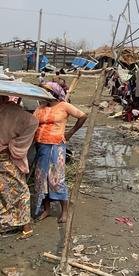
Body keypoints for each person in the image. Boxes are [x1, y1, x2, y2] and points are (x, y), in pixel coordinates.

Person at [33, 84, 87, 223]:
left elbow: (82, 116)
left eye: (48, 91)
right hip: (41, 145)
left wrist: (70, 132)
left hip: (56, 146)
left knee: (56, 178)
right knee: (41, 178)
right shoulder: (41, 107)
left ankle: (64, 211)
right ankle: (46, 209)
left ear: (54, 93)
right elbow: (32, 122)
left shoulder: (64, 106)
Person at [0, 95, 39, 238]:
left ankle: (20, 224)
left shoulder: (8, 113)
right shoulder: (22, 116)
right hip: (8, 159)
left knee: (7, 192)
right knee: (20, 190)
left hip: (5, 160)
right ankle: (23, 225)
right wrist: (13, 145)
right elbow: (33, 121)